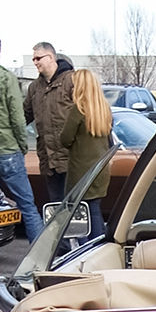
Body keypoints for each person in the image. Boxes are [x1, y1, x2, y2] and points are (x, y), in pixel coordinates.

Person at [0, 30, 44, 249]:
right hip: (7, 148)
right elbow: (17, 115)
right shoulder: (7, 78)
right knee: (28, 206)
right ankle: (40, 258)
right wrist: (22, 145)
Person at [58, 68, 112, 238]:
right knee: (95, 210)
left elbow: (65, 139)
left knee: (81, 216)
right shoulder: (104, 110)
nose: (72, 89)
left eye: (74, 85)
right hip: (101, 169)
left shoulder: (78, 110)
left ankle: (86, 253)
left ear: (80, 87)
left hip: (82, 172)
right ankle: (98, 248)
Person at [24, 42, 76, 203]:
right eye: (33, 59)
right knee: (55, 207)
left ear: (51, 57)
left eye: (38, 58)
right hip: (49, 161)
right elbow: (24, 116)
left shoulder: (71, 81)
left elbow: (89, 114)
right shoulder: (34, 88)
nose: (35, 62)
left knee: (75, 208)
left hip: (71, 158)